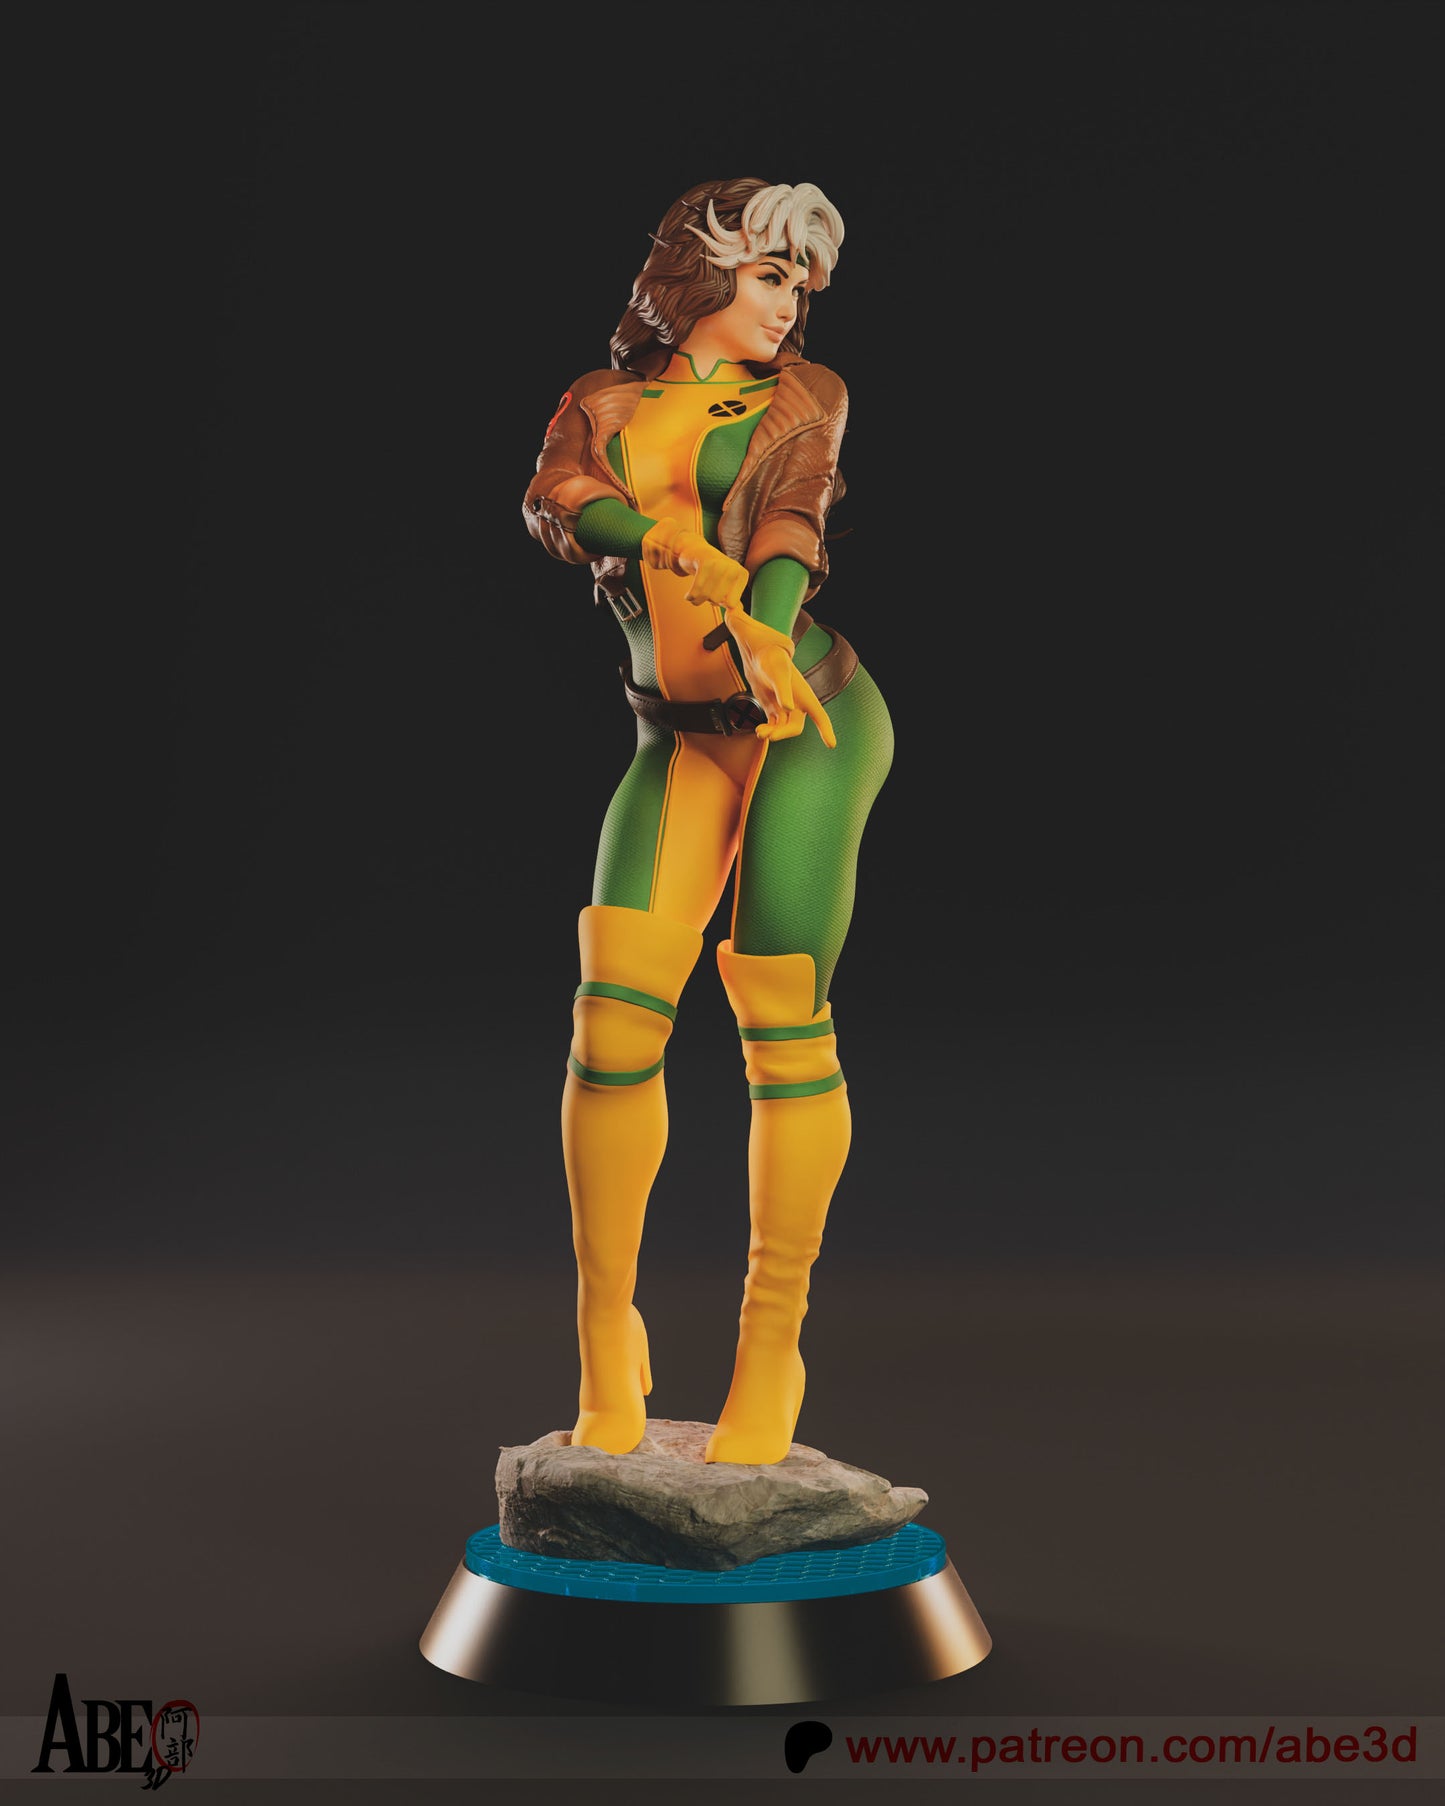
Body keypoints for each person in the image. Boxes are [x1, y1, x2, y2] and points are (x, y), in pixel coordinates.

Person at [523, 177, 893, 1465]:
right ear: (704, 268)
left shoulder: (807, 396)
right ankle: (604, 1338)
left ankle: (771, 1345)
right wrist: (660, 543)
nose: (791, 304)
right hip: (675, 738)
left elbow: (792, 521)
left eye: (803, 284)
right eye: (773, 274)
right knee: (611, 1021)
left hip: (807, 723)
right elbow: (557, 497)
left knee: (780, 1012)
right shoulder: (604, 399)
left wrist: (768, 636)